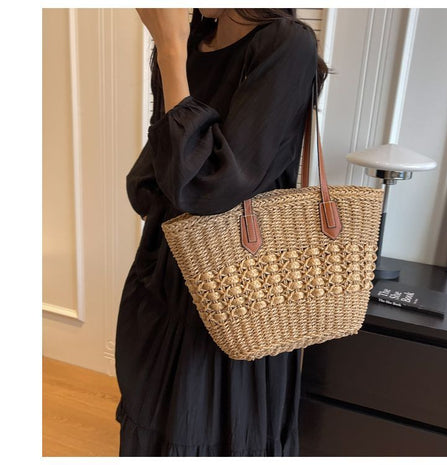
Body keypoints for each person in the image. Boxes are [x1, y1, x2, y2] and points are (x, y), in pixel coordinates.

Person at [114, 7, 329, 456]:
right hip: (167, 276)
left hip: (237, 288)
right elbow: (156, 176)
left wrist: (170, 50)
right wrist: (174, 49)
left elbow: (207, 186)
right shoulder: (192, 40)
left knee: (211, 433)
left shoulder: (286, 44)